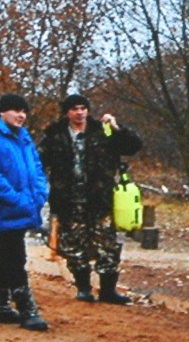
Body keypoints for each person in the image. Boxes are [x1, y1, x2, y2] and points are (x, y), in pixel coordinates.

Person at [39, 93, 143, 304]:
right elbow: (39, 163)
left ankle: (108, 291)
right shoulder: (55, 136)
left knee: (107, 244)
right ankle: (84, 289)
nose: (79, 113)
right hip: (69, 199)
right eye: (75, 109)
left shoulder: (101, 132)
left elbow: (133, 146)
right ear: (67, 112)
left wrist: (116, 127)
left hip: (99, 198)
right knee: (74, 246)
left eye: (83, 108)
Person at [0, 93, 50, 331]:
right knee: (14, 257)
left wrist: (39, 194)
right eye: (15, 110)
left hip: (23, 207)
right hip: (3, 210)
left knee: (6, 256)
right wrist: (18, 200)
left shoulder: (23, 139)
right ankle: (27, 309)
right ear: (2, 113)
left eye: (24, 111)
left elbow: (37, 169)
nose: (21, 115)